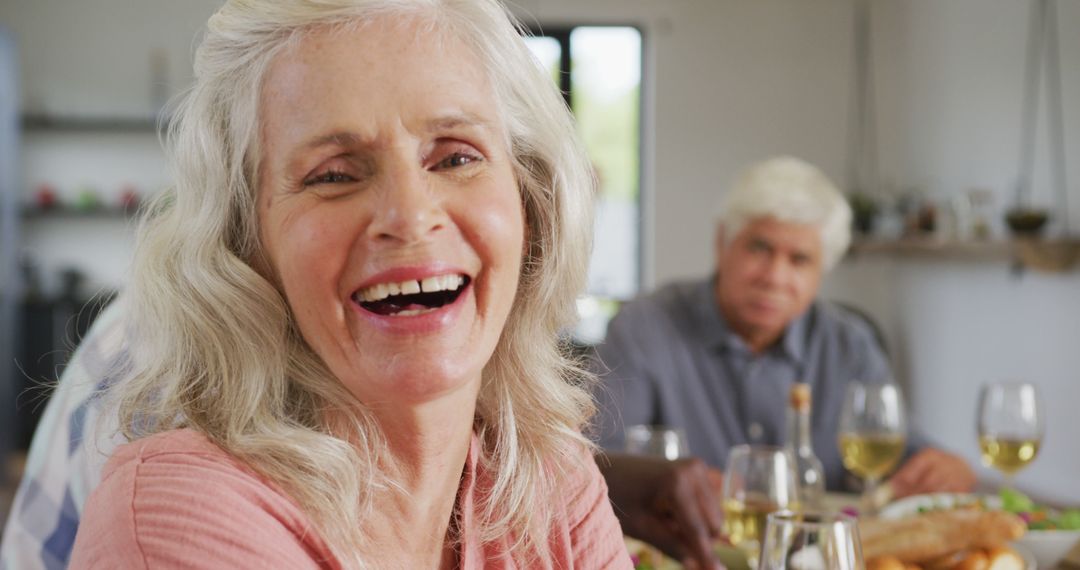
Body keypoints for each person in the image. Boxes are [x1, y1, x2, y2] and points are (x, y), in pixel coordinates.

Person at [63, 1, 630, 567]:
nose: (409, 217)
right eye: (333, 175)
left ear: (531, 206)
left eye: (456, 158)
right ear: (247, 245)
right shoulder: (181, 514)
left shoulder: (555, 486)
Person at [592, 156, 975, 567]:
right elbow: (593, 464)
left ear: (821, 271)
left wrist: (947, 470)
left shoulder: (851, 344)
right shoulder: (644, 327)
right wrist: (660, 484)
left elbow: (906, 457)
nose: (775, 276)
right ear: (723, 243)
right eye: (760, 248)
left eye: (799, 260)